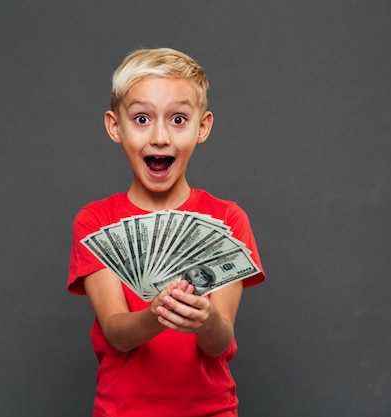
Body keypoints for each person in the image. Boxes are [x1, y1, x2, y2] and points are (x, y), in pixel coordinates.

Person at [68, 47, 266, 417]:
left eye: (178, 119)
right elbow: (116, 333)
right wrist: (156, 312)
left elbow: (220, 343)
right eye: (142, 118)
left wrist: (206, 320)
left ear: (202, 127)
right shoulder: (95, 222)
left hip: (211, 411)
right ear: (115, 127)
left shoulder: (228, 219)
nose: (160, 136)